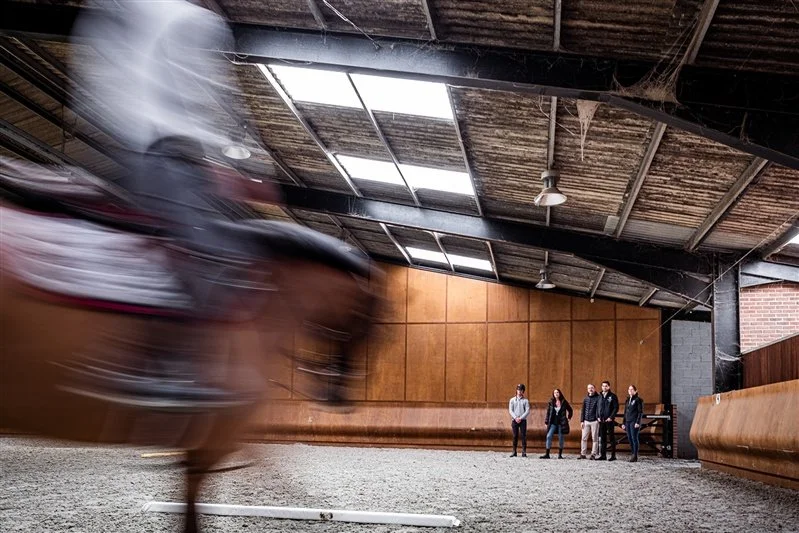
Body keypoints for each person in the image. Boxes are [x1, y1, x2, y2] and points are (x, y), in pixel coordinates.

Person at [65, 0, 264, 409]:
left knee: (158, 243)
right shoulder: (194, 19)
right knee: (210, 250)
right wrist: (230, 160)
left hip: (121, 142)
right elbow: (209, 96)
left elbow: (97, 77)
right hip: (163, 150)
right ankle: (163, 369)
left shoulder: (119, 7)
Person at [540, 388, 573, 459]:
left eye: (557, 392)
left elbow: (570, 409)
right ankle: (547, 454)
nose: (556, 394)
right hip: (553, 423)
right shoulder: (551, 402)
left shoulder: (563, 401)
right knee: (549, 436)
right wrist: (546, 421)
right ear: (553, 394)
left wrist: (569, 417)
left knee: (561, 438)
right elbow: (548, 412)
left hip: (561, 423)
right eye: (555, 393)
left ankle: (560, 454)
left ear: (560, 393)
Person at [597, 380, 619, 461]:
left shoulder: (613, 396)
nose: (604, 387)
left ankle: (613, 456)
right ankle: (603, 455)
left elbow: (616, 408)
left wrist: (611, 417)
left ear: (609, 387)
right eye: (603, 386)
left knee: (611, 438)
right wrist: (597, 417)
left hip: (609, 420)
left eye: (606, 386)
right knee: (603, 438)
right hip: (601, 420)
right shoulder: (599, 396)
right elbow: (597, 408)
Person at [621, 385, 644, 462]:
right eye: (629, 389)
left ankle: (635, 455)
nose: (630, 391)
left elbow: (640, 412)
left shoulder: (638, 400)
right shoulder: (627, 400)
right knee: (630, 438)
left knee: (634, 438)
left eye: (632, 389)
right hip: (627, 421)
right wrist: (623, 422)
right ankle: (632, 453)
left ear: (635, 391)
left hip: (634, 421)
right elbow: (625, 412)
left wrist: (638, 422)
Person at [579, 384, 601, 460]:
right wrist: (582, 421)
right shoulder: (585, 398)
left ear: (594, 389)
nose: (590, 389)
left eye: (592, 388)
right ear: (587, 389)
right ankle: (583, 454)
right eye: (589, 388)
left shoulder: (598, 398)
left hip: (595, 421)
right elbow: (583, 410)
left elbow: (599, 409)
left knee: (594, 439)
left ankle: (593, 454)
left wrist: (598, 418)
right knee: (584, 438)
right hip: (586, 421)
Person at [508, 384, 530, 457]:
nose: (519, 391)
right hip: (515, 420)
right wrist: (515, 418)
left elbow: (527, 411)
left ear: (523, 391)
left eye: (521, 390)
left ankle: (524, 451)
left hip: (523, 420)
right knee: (515, 436)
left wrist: (521, 418)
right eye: (518, 390)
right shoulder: (512, 400)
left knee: (523, 436)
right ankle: (514, 451)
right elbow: (511, 410)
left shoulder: (525, 401)